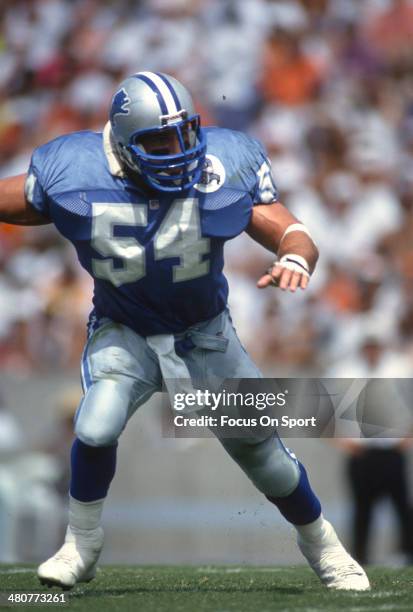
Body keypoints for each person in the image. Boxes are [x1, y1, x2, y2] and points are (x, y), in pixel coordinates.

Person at [0, 71, 369, 591]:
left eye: (184, 133)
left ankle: (324, 544)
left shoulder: (222, 166)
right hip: (124, 332)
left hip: (204, 335)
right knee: (96, 423)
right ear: (125, 143)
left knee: (267, 459)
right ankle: (80, 543)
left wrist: (296, 256)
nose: (177, 151)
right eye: (158, 140)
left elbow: (289, 229)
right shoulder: (75, 170)